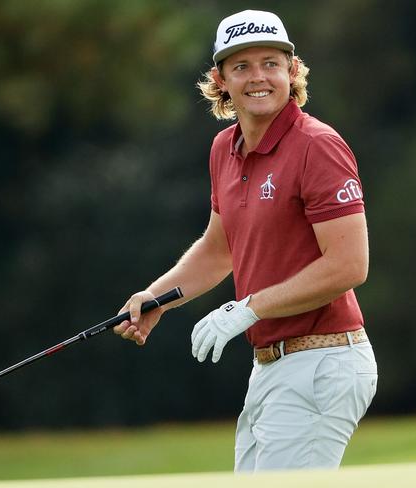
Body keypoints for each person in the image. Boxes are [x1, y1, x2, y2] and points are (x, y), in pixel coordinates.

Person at [113, 9, 378, 471]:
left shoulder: (317, 145)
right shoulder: (224, 148)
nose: (259, 77)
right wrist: (156, 298)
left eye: (271, 63)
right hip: (270, 366)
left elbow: (349, 265)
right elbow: (219, 250)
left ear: (291, 71)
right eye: (242, 66)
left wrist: (249, 307)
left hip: (323, 361)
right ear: (220, 79)